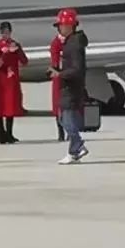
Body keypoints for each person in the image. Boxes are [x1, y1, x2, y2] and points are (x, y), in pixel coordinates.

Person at [49, 8, 89, 164]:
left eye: (61, 25)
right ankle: (74, 153)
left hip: (72, 87)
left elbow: (77, 69)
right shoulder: (70, 43)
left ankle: (78, 145)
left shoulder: (73, 45)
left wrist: (60, 74)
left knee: (66, 120)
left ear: (69, 26)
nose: (59, 28)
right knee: (65, 118)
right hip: (69, 86)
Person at [0, 21, 27, 143]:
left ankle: (9, 133)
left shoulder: (15, 44)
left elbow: (24, 61)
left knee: (11, 107)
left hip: (13, 79)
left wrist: (17, 50)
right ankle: (0, 133)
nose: (6, 34)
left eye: (8, 32)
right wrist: (6, 52)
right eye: (3, 32)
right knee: (1, 107)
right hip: (2, 79)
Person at [49, 25, 67, 142]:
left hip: (68, 75)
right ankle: (60, 132)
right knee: (58, 106)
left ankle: (70, 130)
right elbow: (55, 62)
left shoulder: (70, 41)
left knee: (69, 105)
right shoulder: (56, 43)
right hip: (59, 76)